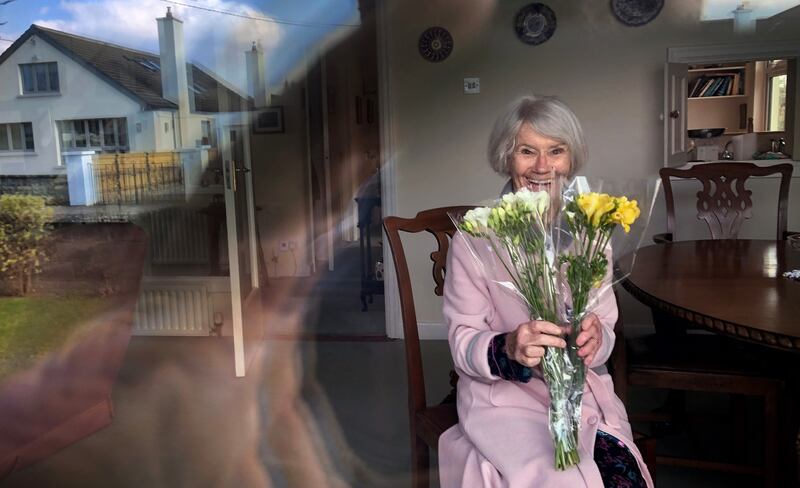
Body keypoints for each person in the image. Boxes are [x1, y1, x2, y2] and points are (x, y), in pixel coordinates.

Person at [438, 95, 654, 488]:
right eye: (527, 151)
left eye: (556, 151)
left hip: (582, 398)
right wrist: (507, 348)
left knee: (616, 477)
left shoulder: (593, 231)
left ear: (571, 159)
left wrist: (594, 340)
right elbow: (461, 339)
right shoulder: (475, 238)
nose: (542, 166)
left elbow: (604, 332)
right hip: (505, 401)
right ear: (507, 157)